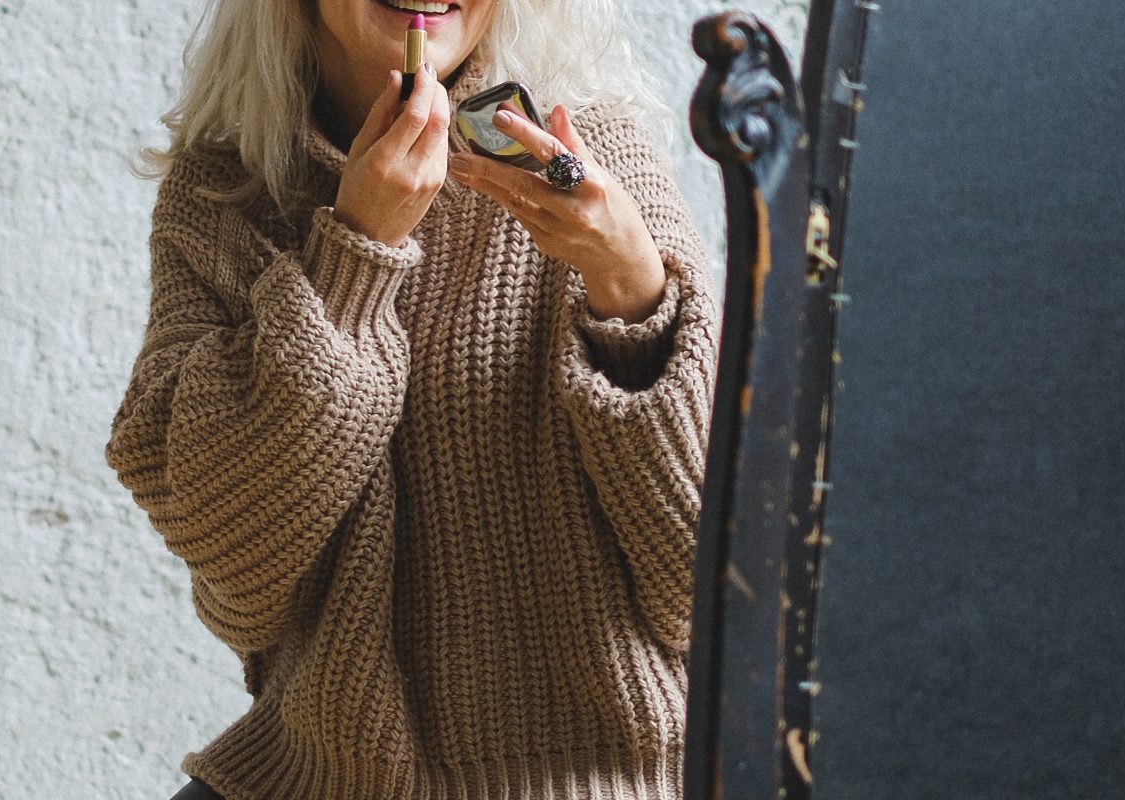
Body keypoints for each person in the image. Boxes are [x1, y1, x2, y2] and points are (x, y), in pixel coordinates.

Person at [104, 0, 719, 797]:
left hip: (599, 773)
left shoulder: (591, 156)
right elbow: (232, 565)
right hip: (327, 774)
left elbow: (709, 584)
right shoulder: (225, 195)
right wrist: (357, 247)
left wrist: (632, 288)